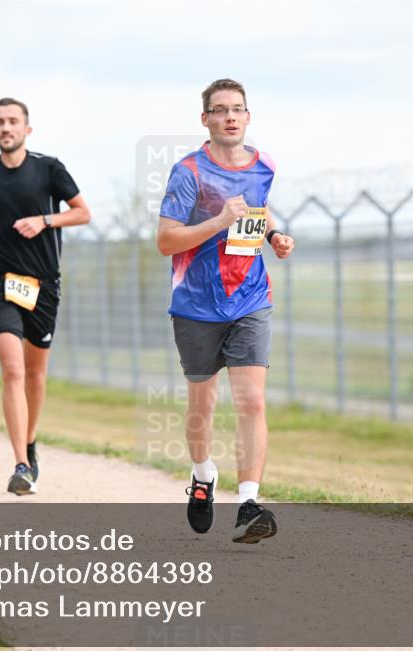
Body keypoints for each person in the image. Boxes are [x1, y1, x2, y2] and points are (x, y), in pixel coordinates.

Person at [156, 79, 295, 543]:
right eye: (220, 110)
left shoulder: (265, 165)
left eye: (237, 109)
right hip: (196, 303)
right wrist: (218, 221)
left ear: (248, 117)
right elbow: (166, 241)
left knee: (252, 400)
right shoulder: (188, 172)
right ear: (206, 120)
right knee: (203, 403)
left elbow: (259, 208)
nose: (230, 117)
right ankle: (202, 475)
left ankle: (250, 503)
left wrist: (274, 236)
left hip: (250, 297)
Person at [0, 98, 91, 495]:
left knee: (35, 374)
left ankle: (30, 442)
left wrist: (45, 220)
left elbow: (83, 212)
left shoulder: (49, 168)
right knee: (13, 370)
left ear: (27, 130)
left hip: (43, 285)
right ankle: (19, 464)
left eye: (13, 121)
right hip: (0, 281)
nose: (6, 127)